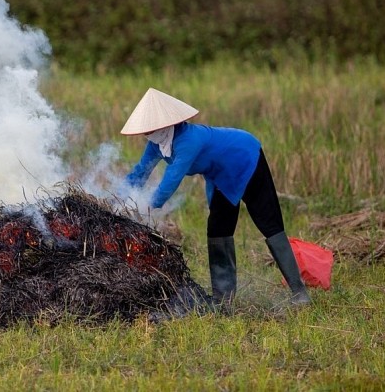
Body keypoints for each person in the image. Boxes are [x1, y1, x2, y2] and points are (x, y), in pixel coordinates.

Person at [120, 88, 311, 310]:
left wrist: (148, 207)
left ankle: (300, 293)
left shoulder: (188, 140)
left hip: (246, 158)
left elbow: (171, 180)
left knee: (268, 222)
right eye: (146, 130)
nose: (147, 134)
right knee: (218, 228)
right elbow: (140, 171)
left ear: (165, 124)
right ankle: (223, 300)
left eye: (151, 128)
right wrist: (118, 198)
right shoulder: (156, 145)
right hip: (221, 175)